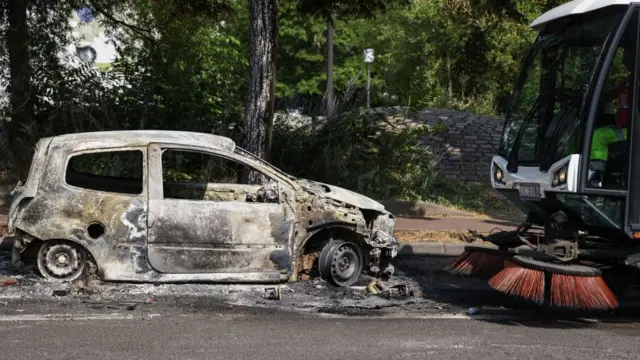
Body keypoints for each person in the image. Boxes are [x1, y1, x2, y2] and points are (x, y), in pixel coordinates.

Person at [588, 47, 633, 187]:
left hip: (632, 131)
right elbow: (610, 95)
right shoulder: (630, 79)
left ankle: (595, 177)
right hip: (626, 126)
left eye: (628, 54)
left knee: (597, 136)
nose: (625, 58)